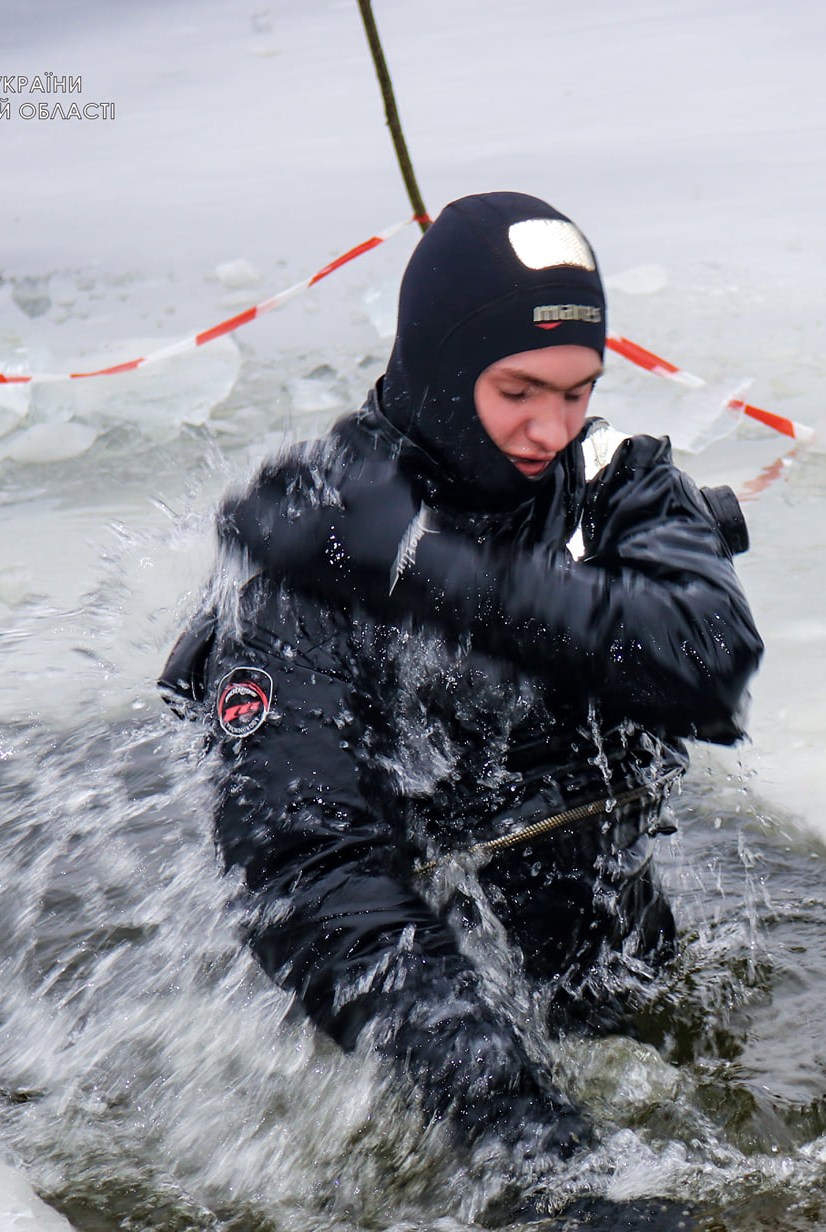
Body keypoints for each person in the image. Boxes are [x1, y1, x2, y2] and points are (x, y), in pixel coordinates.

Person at [160, 192, 761, 1173]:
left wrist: (431, 574)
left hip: (621, 972)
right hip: (420, 1040)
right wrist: (517, 1125)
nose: (551, 429)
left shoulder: (611, 477)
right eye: (518, 391)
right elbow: (309, 876)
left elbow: (706, 660)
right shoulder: (315, 544)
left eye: (576, 391)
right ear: (445, 369)